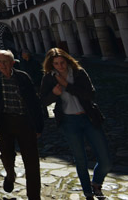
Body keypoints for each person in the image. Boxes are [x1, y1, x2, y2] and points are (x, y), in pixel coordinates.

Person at [40, 48, 111, 199]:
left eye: (62, 62)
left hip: (88, 118)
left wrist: (67, 85)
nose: (60, 66)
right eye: (56, 64)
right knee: (80, 159)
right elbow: (43, 100)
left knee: (105, 160)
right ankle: (88, 192)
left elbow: (90, 94)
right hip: (69, 121)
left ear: (67, 60)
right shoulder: (49, 78)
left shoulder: (79, 73)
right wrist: (54, 94)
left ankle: (96, 183)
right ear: (51, 65)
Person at [0, 50, 44, 200]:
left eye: (5, 62)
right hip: (4, 122)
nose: (2, 65)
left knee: (32, 162)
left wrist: (39, 125)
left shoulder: (23, 77)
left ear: (12, 63)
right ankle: (10, 174)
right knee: (7, 155)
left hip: (25, 122)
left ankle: (34, 196)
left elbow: (35, 102)